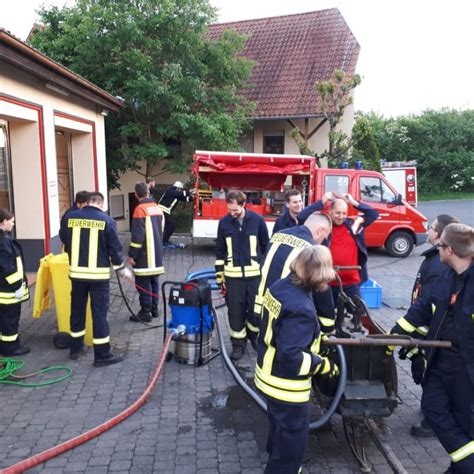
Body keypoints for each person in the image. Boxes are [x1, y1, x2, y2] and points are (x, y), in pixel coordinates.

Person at [388, 223, 474, 473]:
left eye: (439, 246)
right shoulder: (446, 276)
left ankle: (463, 465)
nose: (436, 250)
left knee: (464, 419)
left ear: (449, 250)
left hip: (466, 369)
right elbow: (423, 308)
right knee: (433, 407)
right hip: (441, 359)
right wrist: (393, 338)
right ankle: (465, 462)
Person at [255, 245, 339, 474]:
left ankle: (277, 456)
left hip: (266, 373)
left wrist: (314, 337)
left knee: (278, 431)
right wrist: (322, 365)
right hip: (286, 387)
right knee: (291, 447)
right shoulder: (301, 308)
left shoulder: (280, 286)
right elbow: (291, 357)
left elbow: (282, 331)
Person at [61, 192, 130, 367]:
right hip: (98, 277)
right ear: (101, 203)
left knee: (77, 311)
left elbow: (64, 238)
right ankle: (102, 354)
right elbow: (115, 248)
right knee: (98, 314)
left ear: (88, 202)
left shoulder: (71, 217)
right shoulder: (106, 221)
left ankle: (76, 349)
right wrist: (121, 269)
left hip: (76, 274)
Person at [408, 214, 459, 438]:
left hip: (434, 334)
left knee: (432, 375)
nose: (427, 231)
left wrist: (418, 339)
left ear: (440, 235)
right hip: (430, 332)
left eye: (431, 228)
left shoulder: (439, 265)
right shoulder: (433, 259)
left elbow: (430, 306)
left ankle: (433, 419)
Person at [253, 212, 335, 340]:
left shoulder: (279, 235)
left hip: (262, 306)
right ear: (320, 231)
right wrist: (328, 329)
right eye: (325, 237)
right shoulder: (311, 251)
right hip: (286, 315)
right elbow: (320, 288)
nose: (324, 241)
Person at [215, 190, 269, 361]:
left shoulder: (257, 220)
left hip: (255, 277)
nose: (232, 213)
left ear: (243, 204)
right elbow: (220, 251)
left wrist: (265, 272)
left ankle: (253, 337)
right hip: (233, 278)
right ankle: (238, 345)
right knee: (235, 313)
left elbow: (266, 246)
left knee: (256, 311)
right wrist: (219, 277)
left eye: (235, 210)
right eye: (229, 210)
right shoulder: (224, 223)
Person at [298, 191, 379, 303]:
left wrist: (354, 202)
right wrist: (322, 201)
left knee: (357, 314)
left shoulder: (354, 224)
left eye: (344, 213)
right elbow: (301, 217)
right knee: (327, 318)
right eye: (337, 213)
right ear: (330, 211)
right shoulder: (323, 225)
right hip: (326, 283)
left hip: (351, 282)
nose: (341, 217)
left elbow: (373, 214)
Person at [128, 182, 165, 322]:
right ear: (149, 193)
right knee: (154, 283)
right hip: (157, 255)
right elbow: (161, 230)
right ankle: (155, 309)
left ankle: (145, 312)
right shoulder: (157, 208)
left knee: (143, 285)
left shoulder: (140, 209)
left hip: (144, 256)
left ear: (136, 194)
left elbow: (137, 236)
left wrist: (132, 254)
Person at [0, 209, 30, 356]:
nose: (13, 223)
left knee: (4, 320)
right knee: (10, 320)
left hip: (4, 290)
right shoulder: (4, 242)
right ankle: (11, 348)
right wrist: (17, 286)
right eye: (11, 221)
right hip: (8, 291)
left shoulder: (4, 239)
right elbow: (8, 268)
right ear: (3, 222)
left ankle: (5, 345)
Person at [158, 180, 193, 245]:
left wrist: (192, 198)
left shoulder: (175, 193)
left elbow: (184, 198)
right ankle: (164, 241)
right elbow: (181, 194)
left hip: (165, 211)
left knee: (169, 226)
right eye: (180, 189)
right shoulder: (170, 191)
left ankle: (163, 240)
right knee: (171, 225)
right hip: (162, 210)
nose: (181, 190)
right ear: (177, 188)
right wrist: (190, 191)